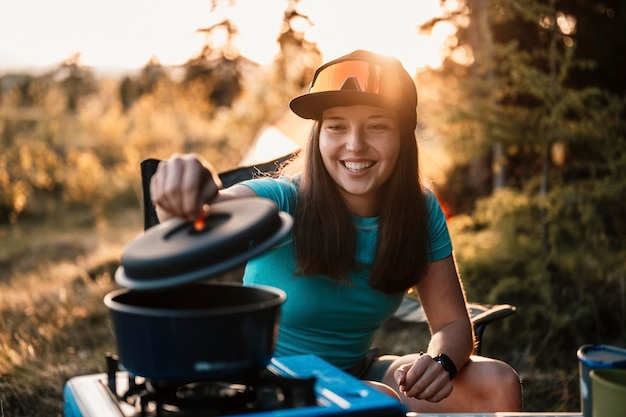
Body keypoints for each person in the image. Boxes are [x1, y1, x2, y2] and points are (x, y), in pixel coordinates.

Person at [150, 49, 522, 412]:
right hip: (263, 381)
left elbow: (453, 322)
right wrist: (180, 197)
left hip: (356, 372)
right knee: (377, 402)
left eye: (376, 126)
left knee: (498, 384)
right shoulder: (281, 200)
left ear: (403, 137)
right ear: (318, 136)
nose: (355, 145)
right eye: (337, 127)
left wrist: (441, 361)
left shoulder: (419, 210)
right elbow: (200, 219)